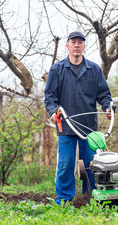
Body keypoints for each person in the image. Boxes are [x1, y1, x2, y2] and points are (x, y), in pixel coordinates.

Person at [44, 31, 113, 205]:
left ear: (84, 46)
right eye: (73, 42)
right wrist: (53, 112)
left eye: (80, 42)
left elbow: (104, 94)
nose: (76, 45)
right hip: (65, 124)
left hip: (88, 127)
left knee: (91, 162)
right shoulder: (57, 69)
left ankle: (91, 197)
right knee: (66, 162)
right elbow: (50, 96)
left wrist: (107, 106)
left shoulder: (94, 69)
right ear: (67, 46)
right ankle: (64, 199)